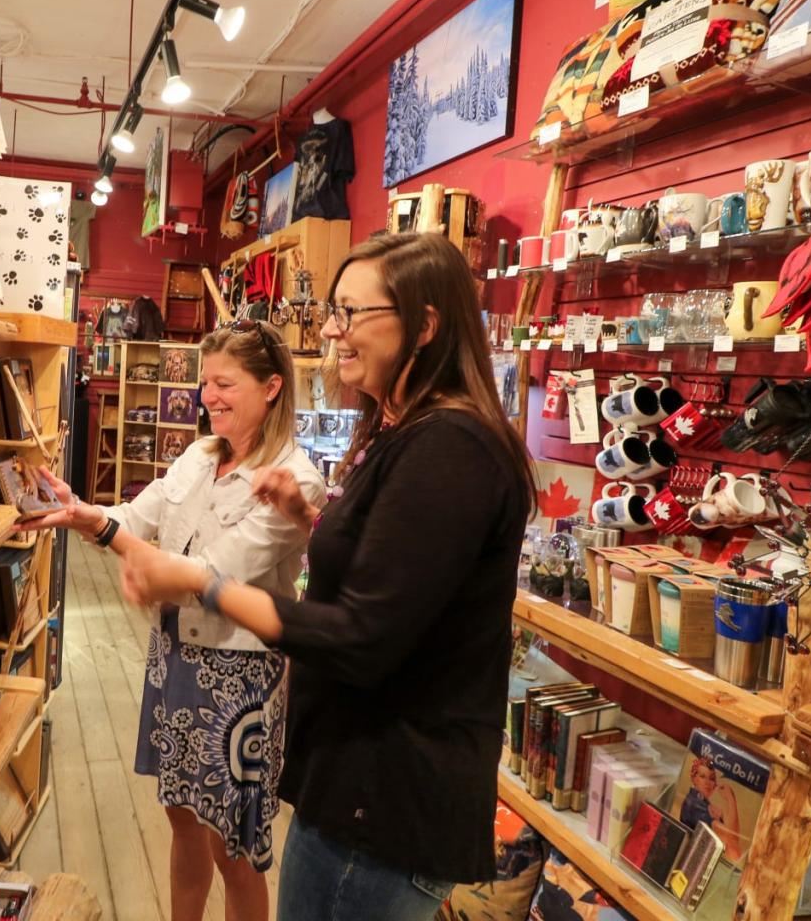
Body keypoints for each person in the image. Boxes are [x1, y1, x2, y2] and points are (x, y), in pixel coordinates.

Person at [118, 233, 535, 919]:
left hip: (385, 802)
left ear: (424, 326)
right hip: (357, 788)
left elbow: (361, 634)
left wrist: (203, 582)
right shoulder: (408, 435)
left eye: (351, 313)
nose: (332, 330)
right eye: (333, 312)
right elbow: (400, 575)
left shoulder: (450, 449)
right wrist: (312, 523)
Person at [24, 320, 325, 921]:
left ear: (270, 388)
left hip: (240, 677)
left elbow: (214, 573)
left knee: (232, 848)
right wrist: (85, 513)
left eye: (224, 383)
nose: (207, 395)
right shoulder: (197, 455)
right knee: (181, 819)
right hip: (176, 657)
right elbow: (139, 518)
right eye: (203, 381)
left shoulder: (298, 478)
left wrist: (127, 551)